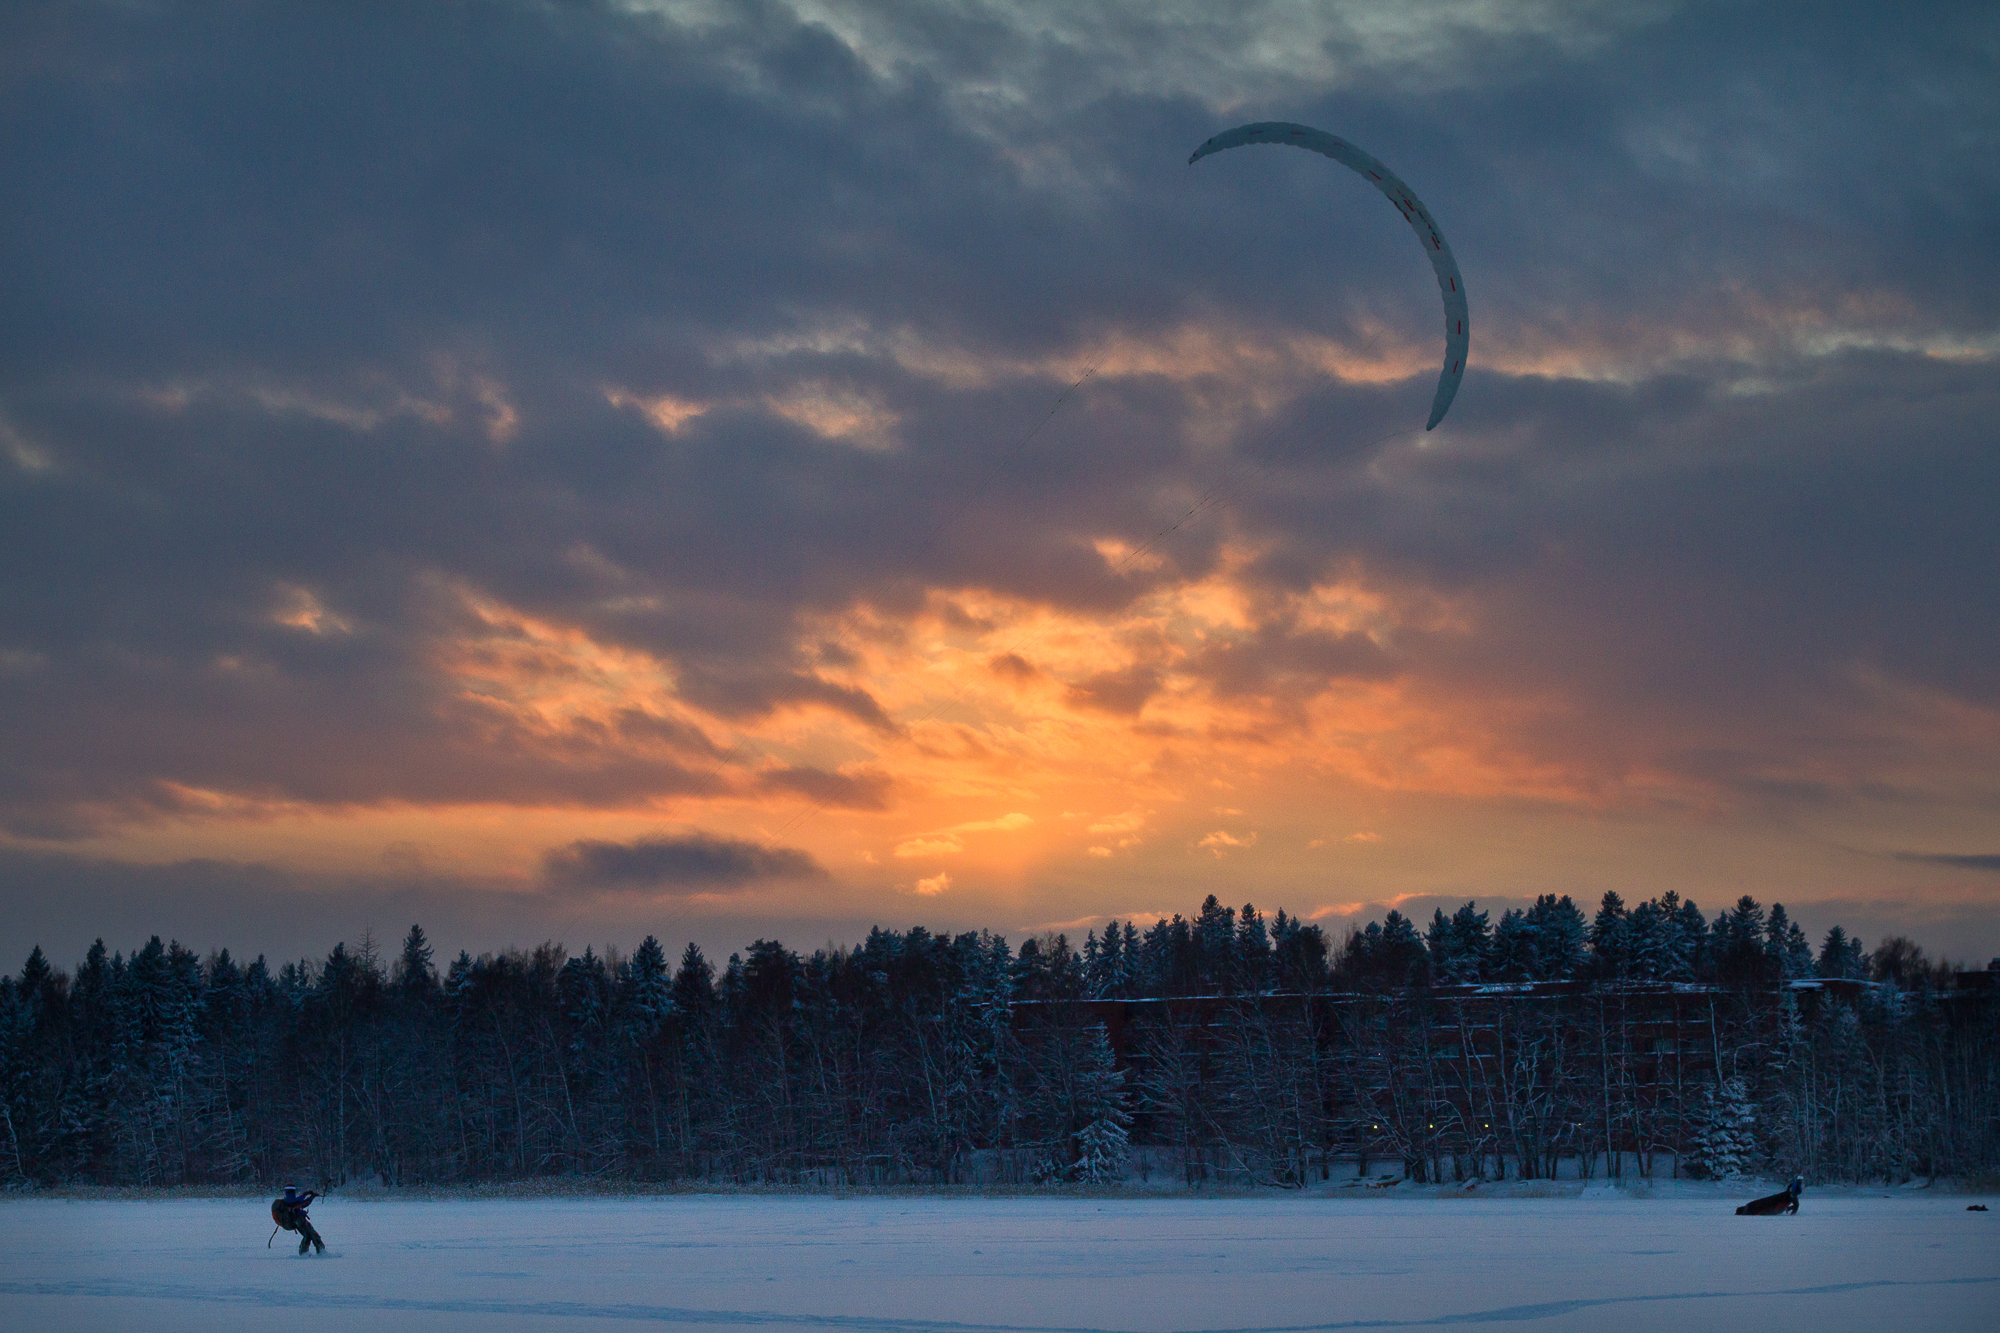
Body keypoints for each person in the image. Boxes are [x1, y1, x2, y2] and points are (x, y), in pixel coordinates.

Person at [270, 1185, 325, 1254]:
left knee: (312, 1234)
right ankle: (306, 1253)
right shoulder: (289, 1201)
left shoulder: (288, 1201)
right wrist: (309, 1196)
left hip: (298, 1220)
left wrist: (308, 1195)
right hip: (297, 1220)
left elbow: (301, 1202)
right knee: (308, 1234)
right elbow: (299, 1202)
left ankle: (321, 1251)